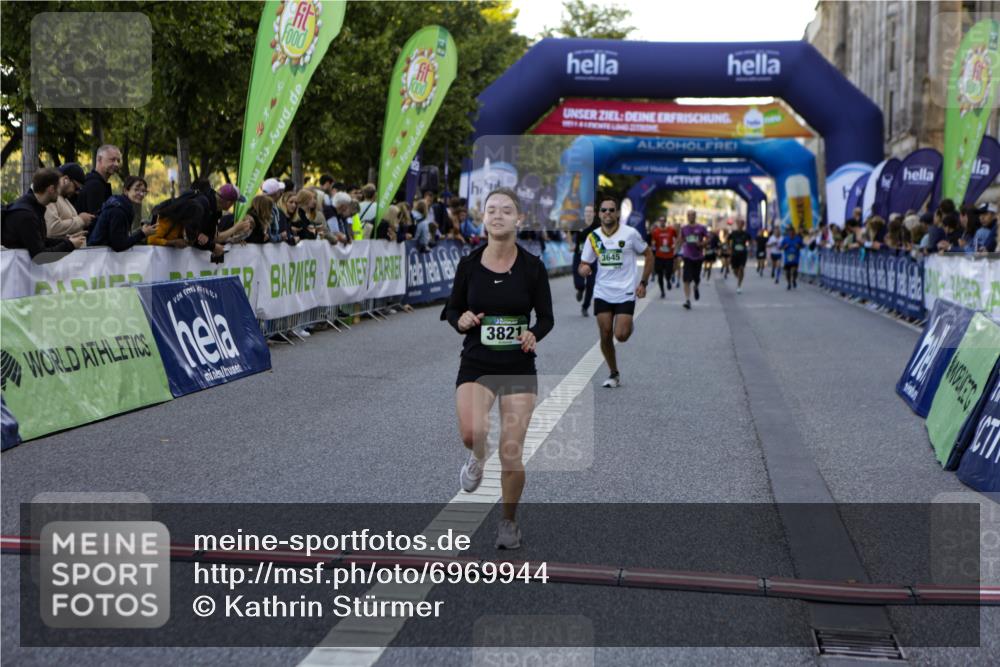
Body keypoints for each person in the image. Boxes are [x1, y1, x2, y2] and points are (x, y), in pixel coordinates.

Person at [443, 187, 553, 549]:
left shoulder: (533, 268)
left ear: (518, 219)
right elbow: (452, 309)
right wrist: (461, 320)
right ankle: (476, 460)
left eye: (507, 210)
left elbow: (546, 318)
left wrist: (533, 334)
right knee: (473, 434)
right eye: (492, 210)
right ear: (484, 218)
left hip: (518, 366)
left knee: (511, 451)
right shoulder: (469, 265)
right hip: (477, 361)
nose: (498, 215)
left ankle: (508, 523)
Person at [579, 195, 653, 387]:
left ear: (618, 213)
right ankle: (613, 373)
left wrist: (643, 283)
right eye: (604, 210)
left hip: (625, 292)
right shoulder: (593, 237)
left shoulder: (630, 234)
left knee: (620, 335)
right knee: (605, 333)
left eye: (611, 210)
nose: (608, 213)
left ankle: (626, 326)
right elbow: (584, 263)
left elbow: (648, 254)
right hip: (603, 291)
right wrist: (584, 269)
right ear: (599, 214)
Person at [1, 168, 85, 259]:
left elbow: (41, 241)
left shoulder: (34, 207)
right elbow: (40, 256)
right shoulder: (27, 215)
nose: (59, 192)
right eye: (58, 188)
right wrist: (69, 245)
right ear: (51, 189)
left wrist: (67, 241)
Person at [86, 176, 156, 251]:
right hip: (97, 256)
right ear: (126, 191)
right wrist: (142, 234)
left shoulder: (122, 206)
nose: (141, 194)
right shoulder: (118, 211)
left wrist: (141, 232)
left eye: (143, 191)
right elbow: (118, 245)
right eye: (136, 190)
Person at [45, 163, 94, 239]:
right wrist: (81, 220)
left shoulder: (63, 198)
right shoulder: (50, 197)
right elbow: (52, 229)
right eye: (77, 188)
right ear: (66, 179)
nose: (77, 193)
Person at [73, 144, 121, 215]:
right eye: (112, 160)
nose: (116, 164)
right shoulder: (95, 185)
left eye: (118, 161)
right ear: (99, 159)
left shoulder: (96, 183)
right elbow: (97, 219)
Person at [569, 204, 599, 316]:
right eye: (586, 211)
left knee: (591, 284)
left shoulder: (597, 226)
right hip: (579, 255)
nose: (588, 213)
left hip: (592, 258)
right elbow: (569, 232)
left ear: (594, 214)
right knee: (579, 281)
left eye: (590, 211)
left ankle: (585, 307)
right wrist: (571, 244)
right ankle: (580, 289)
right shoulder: (578, 223)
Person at [679, 209, 709, 310]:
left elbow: (708, 238)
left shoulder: (701, 228)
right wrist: (676, 251)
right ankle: (687, 300)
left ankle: (696, 286)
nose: (690, 217)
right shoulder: (684, 228)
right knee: (686, 279)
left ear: (695, 216)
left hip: (698, 256)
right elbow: (681, 240)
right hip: (687, 256)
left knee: (696, 278)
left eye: (692, 215)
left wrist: (702, 243)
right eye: (688, 215)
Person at [649, 214, 677, 297]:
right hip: (659, 256)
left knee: (668, 272)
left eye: (663, 221)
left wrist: (675, 244)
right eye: (660, 221)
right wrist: (653, 244)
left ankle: (668, 280)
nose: (662, 222)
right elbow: (653, 242)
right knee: (660, 275)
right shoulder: (656, 231)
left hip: (669, 256)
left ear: (665, 221)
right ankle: (662, 291)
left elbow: (677, 237)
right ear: (659, 222)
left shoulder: (671, 230)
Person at [728, 218, 751, 294]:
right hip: (734, 254)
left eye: (742, 224)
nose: (740, 225)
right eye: (739, 224)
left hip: (742, 254)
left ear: (743, 225)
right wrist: (729, 249)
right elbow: (728, 240)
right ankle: (739, 278)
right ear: (737, 225)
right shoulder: (733, 233)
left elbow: (750, 241)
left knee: (741, 268)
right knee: (735, 270)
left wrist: (749, 248)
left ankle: (739, 285)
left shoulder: (746, 234)